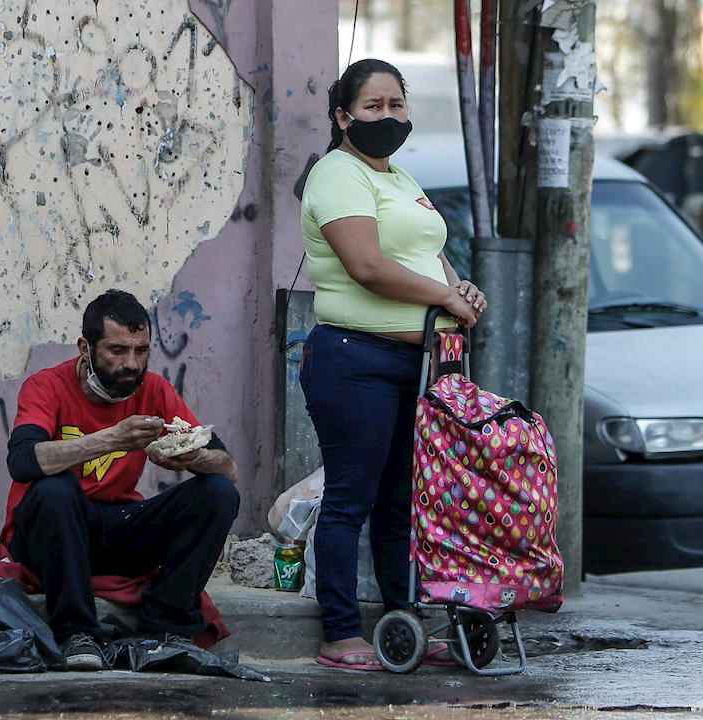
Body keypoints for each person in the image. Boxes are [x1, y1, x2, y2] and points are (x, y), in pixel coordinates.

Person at [298, 58, 487, 671]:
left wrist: (464, 292)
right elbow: (368, 267)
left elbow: (433, 258)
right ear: (342, 116)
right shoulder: (337, 173)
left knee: (403, 503)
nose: (387, 116)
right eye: (372, 106)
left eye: (396, 105)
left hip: (420, 364)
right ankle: (339, 631)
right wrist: (443, 297)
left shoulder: (401, 177)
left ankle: (402, 619)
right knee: (351, 497)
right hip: (355, 360)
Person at [2, 288, 240, 671]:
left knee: (218, 493)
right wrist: (112, 438)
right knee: (55, 489)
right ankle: (75, 632)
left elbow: (229, 468)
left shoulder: (154, 389)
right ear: (85, 347)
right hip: (50, 533)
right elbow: (23, 461)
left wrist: (192, 457)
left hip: (116, 525)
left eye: (141, 351)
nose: (131, 364)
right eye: (117, 351)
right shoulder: (46, 385)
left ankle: (164, 627)